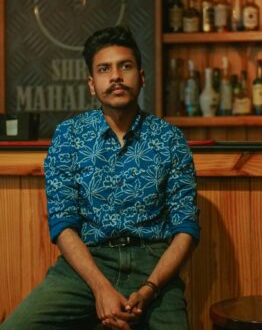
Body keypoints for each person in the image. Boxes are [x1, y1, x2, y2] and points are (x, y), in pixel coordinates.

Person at [0, 25, 200, 330]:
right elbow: (63, 223)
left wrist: (149, 288)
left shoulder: (169, 138)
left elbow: (186, 228)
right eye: (105, 69)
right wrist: (101, 288)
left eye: (126, 66)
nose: (116, 76)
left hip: (154, 264)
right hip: (87, 264)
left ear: (142, 77)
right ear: (92, 85)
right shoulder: (69, 136)